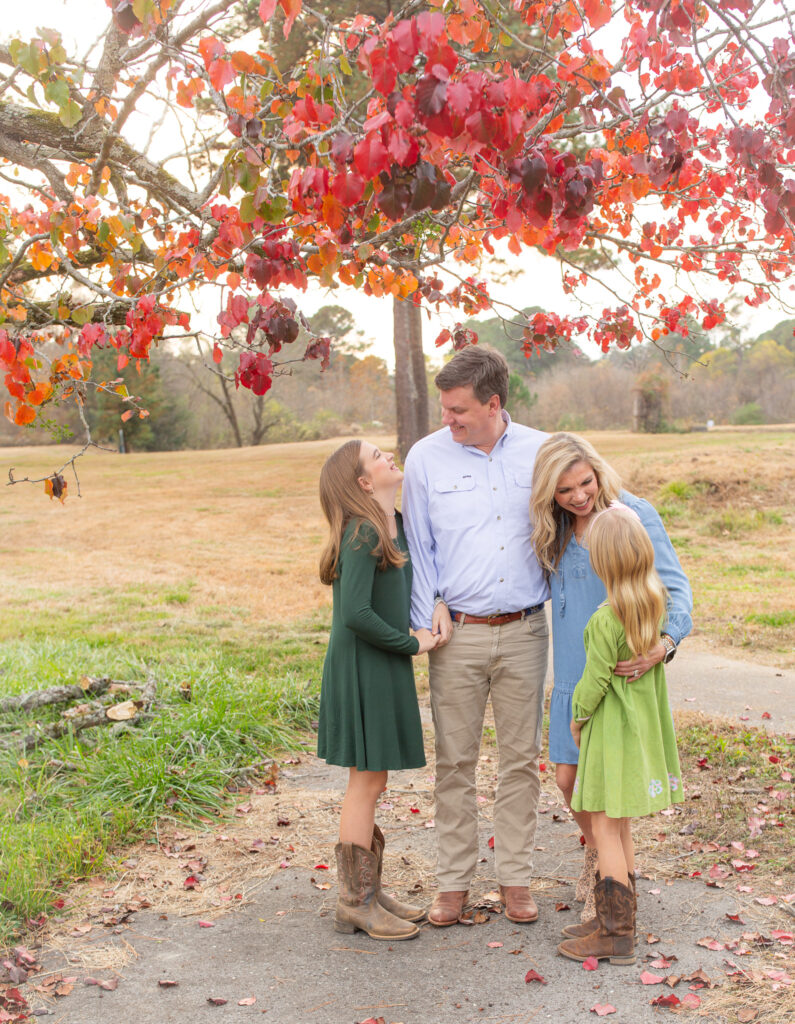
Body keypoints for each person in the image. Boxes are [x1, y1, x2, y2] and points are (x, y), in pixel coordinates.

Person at [402, 346, 550, 927]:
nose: (448, 420)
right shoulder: (426, 458)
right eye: (444, 409)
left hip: (525, 630)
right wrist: (427, 611)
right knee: (454, 762)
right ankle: (453, 883)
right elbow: (419, 546)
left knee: (520, 761)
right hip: (456, 634)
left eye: (459, 410)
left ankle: (516, 878)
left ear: (493, 403)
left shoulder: (541, 451)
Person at [530, 433, 692, 930]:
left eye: (585, 482)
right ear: (549, 495)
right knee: (568, 781)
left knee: (604, 792)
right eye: (564, 490)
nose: (579, 496)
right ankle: (606, 862)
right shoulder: (551, 528)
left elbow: (675, 587)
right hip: (573, 681)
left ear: (598, 471)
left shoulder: (631, 515)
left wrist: (661, 646)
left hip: (616, 679)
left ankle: (612, 882)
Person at [317, 440, 440, 941]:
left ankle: (370, 891)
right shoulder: (363, 532)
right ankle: (355, 901)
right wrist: (410, 642)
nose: (389, 456)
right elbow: (355, 614)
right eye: (376, 456)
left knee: (375, 780)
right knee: (364, 782)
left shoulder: (395, 523)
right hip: (363, 661)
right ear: (364, 482)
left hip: (381, 660)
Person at [557, 504, 684, 964]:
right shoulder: (654, 605)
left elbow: (593, 681)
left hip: (611, 732)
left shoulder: (606, 619)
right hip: (640, 732)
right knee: (621, 824)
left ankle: (615, 933)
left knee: (605, 826)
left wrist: (576, 716)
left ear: (600, 562)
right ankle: (619, 917)